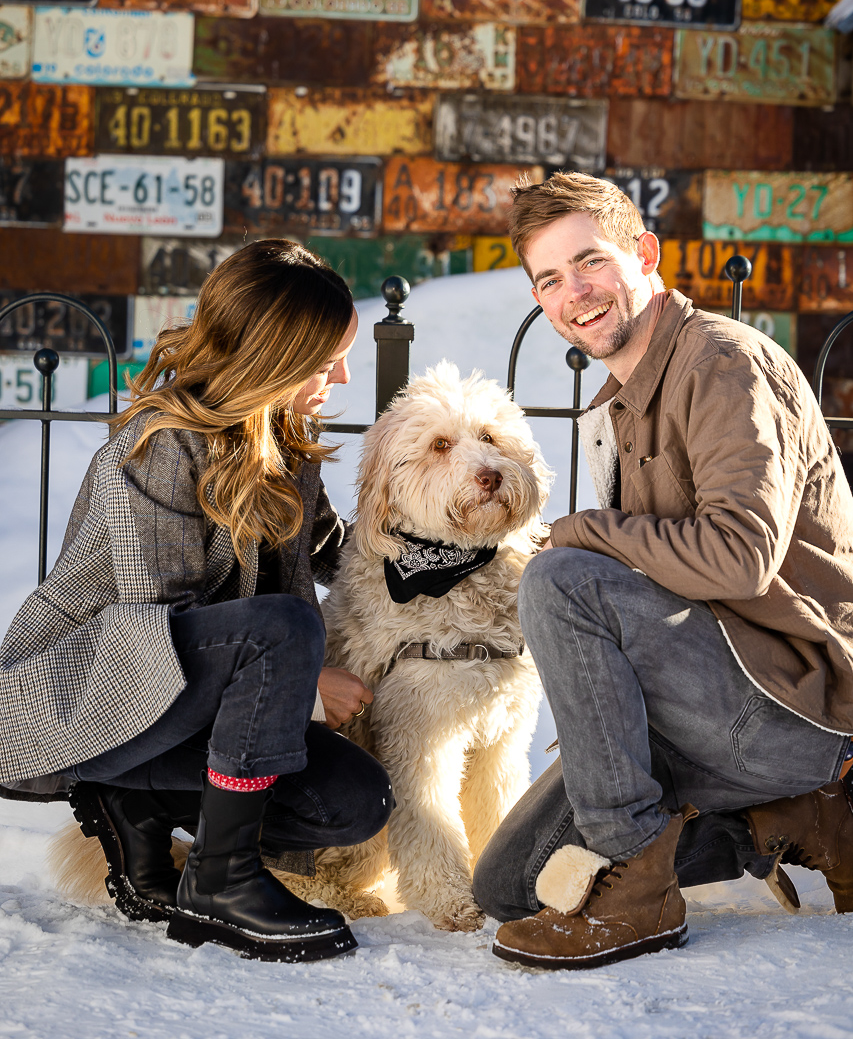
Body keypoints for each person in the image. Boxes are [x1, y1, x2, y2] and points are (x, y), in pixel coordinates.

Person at [473, 173, 853, 971]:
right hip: (703, 697)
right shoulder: (618, 402)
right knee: (511, 886)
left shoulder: (721, 365)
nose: (573, 293)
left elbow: (738, 558)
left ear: (644, 254)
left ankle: (639, 893)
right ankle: (788, 821)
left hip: (791, 704)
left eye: (590, 262)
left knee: (562, 578)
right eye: (548, 279)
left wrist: (584, 530)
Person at [0, 239, 393, 963]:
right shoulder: (160, 445)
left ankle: (138, 803)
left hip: (188, 705)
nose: (339, 376)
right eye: (323, 358)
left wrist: (444, 558)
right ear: (272, 356)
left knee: (355, 801)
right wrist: (304, 689)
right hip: (94, 695)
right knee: (278, 627)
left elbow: (339, 551)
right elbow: (159, 632)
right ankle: (221, 882)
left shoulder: (285, 447)